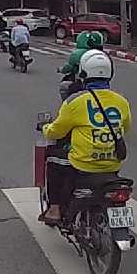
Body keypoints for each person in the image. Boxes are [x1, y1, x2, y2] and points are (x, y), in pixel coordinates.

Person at [39, 49, 131, 224]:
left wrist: (45, 127)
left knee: (52, 159)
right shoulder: (122, 101)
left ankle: (55, 209)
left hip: (83, 164)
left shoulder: (75, 101)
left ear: (83, 73)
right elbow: (125, 128)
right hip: (112, 164)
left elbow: (55, 132)